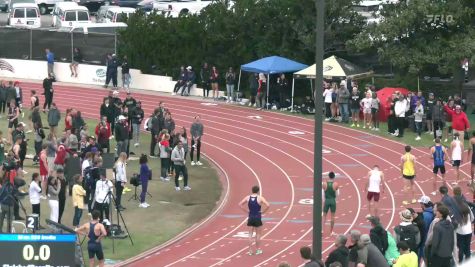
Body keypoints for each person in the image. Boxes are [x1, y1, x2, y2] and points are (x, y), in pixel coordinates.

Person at [238, 185, 270, 256]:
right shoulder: (260, 198)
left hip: (250, 217)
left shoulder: (247, 197)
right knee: (258, 234)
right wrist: (263, 212)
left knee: (250, 234)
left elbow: (240, 204)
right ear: (258, 191)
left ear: (252, 190)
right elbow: (268, 205)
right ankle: (258, 250)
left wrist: (246, 211)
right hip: (258, 217)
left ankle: (250, 250)